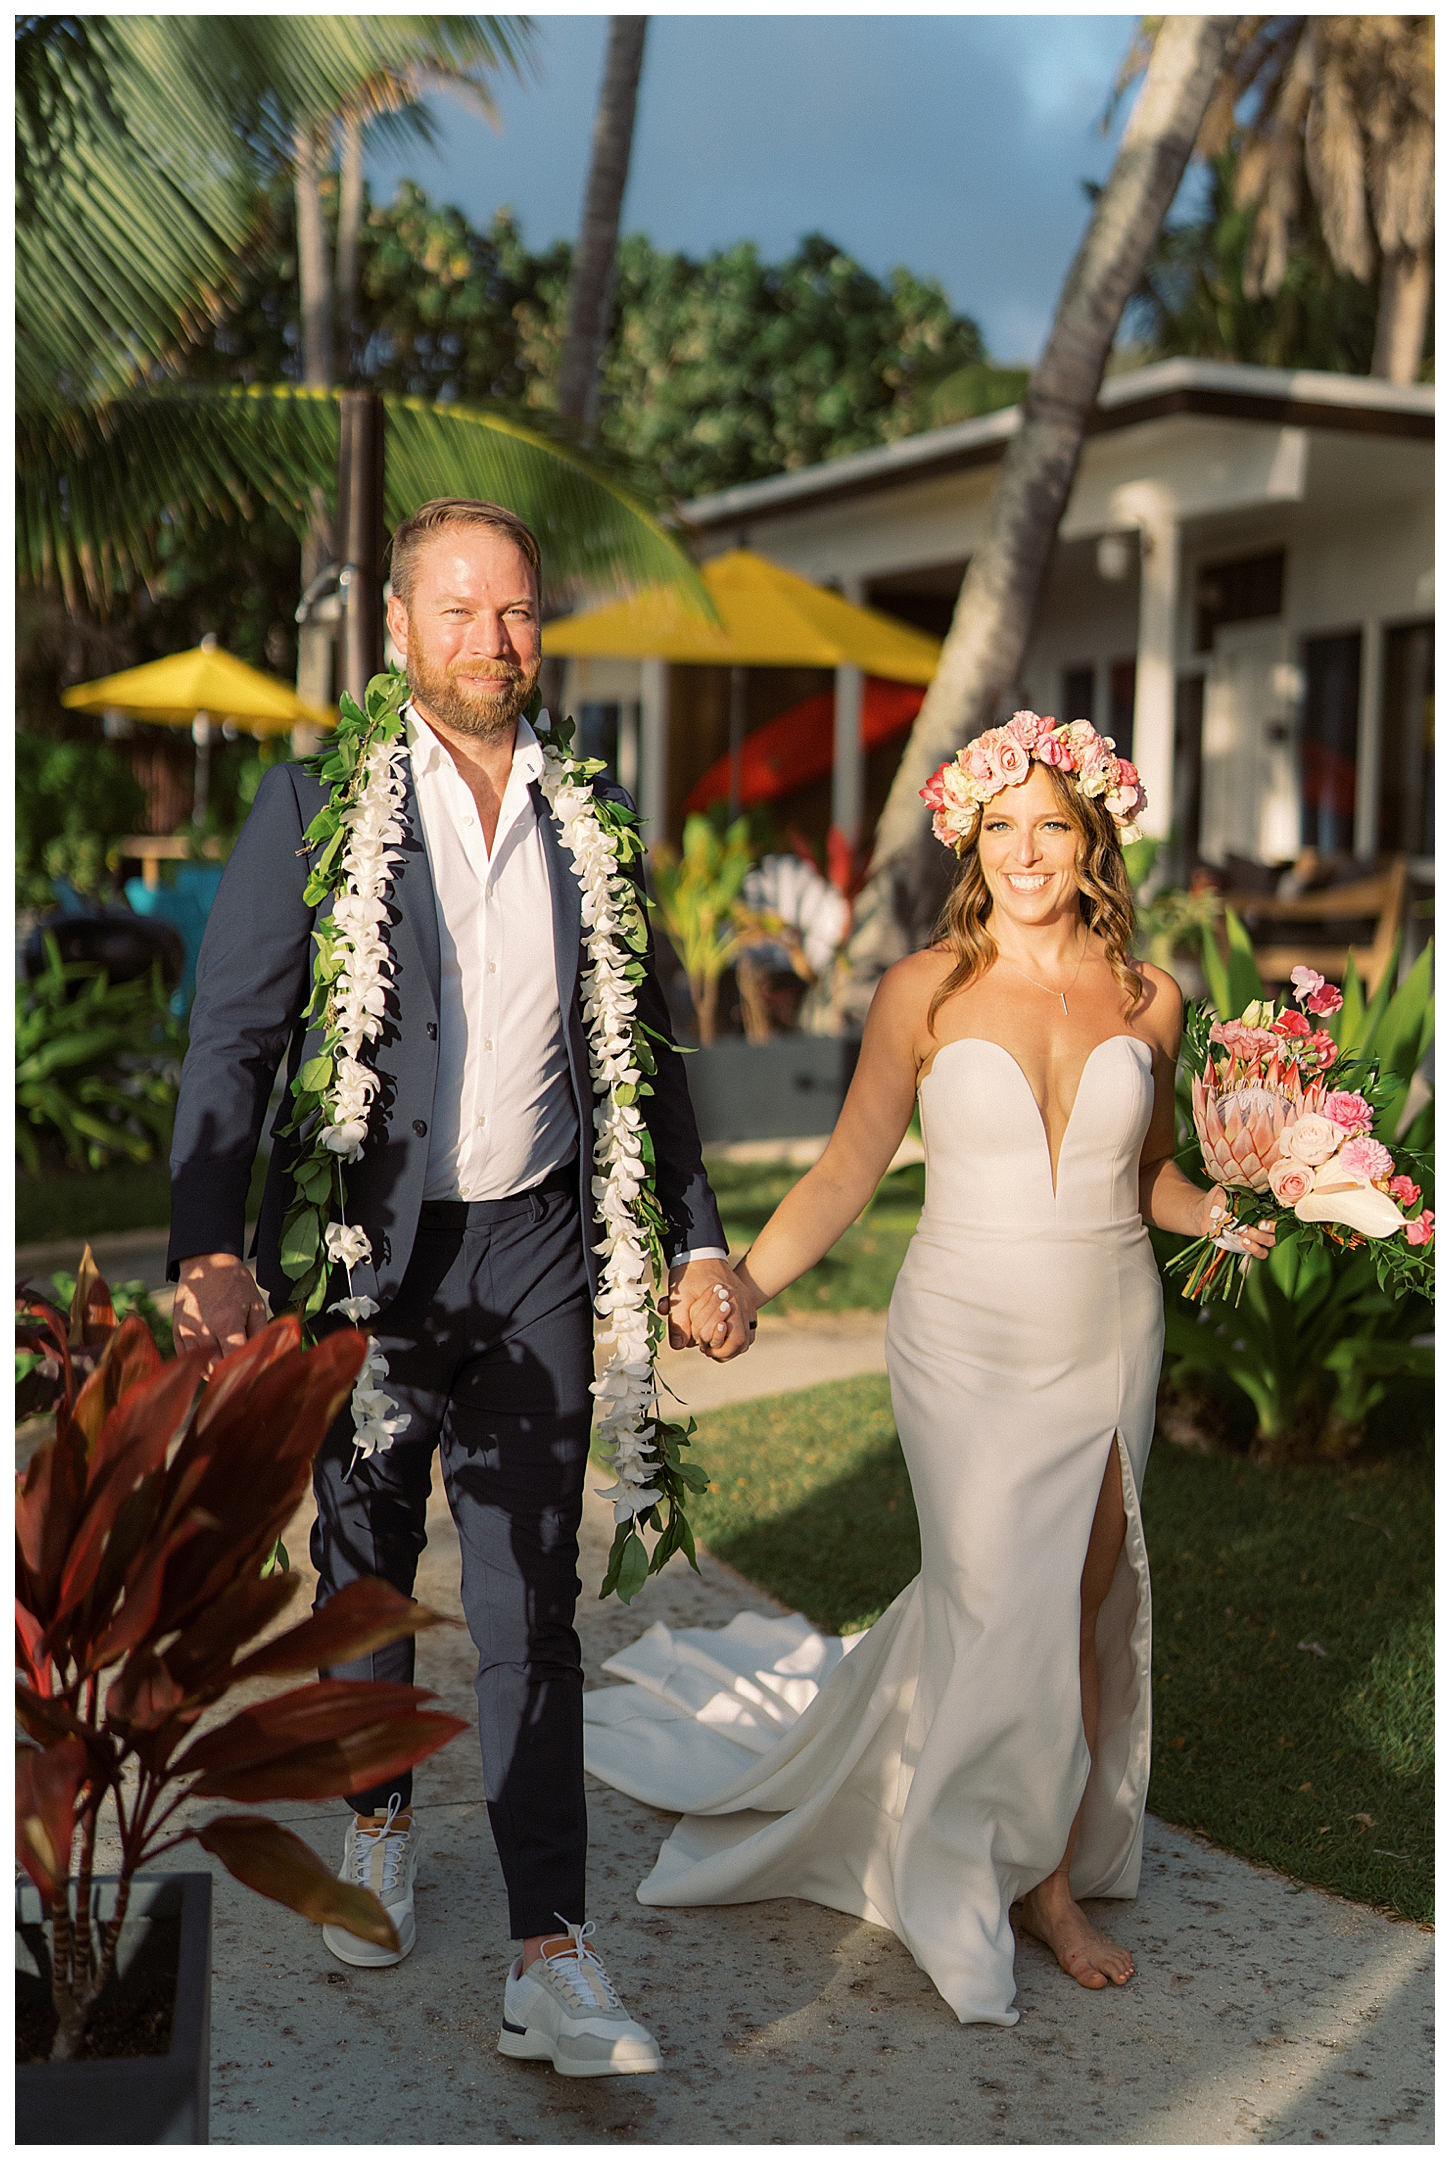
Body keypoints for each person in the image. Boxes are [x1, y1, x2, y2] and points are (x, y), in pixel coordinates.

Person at [167, 497, 752, 2078]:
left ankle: (549, 1949)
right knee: (365, 1563)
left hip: (540, 1246)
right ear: (403, 631)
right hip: (374, 1250)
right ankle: (377, 1817)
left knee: (527, 1600)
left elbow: (645, 1056)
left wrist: (695, 1235)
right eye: (464, 610)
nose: (497, 640)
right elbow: (231, 1048)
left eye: (520, 613)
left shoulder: (593, 811)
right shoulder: (315, 804)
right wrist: (208, 1249)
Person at [584, 715, 1274, 2027]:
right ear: (972, 839)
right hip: (959, 1332)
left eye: (1050, 828)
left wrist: (1234, 1209)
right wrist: (741, 1279)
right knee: (981, 1589)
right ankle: (954, 1870)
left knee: (1072, 1598)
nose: (1025, 852)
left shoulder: (1149, 997)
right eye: (1001, 827)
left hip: (1108, 1320)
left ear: (1089, 843)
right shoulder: (923, 989)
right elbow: (847, 1168)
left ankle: (1049, 1880)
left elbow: (1147, 1178)